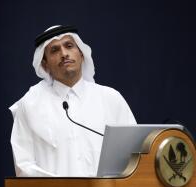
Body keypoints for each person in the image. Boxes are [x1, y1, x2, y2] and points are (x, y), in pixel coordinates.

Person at [9, 25, 136, 177]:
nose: (64, 53)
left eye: (69, 46)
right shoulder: (30, 105)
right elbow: (24, 165)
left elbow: (133, 154)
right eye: (54, 50)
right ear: (45, 64)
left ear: (81, 54)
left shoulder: (110, 99)